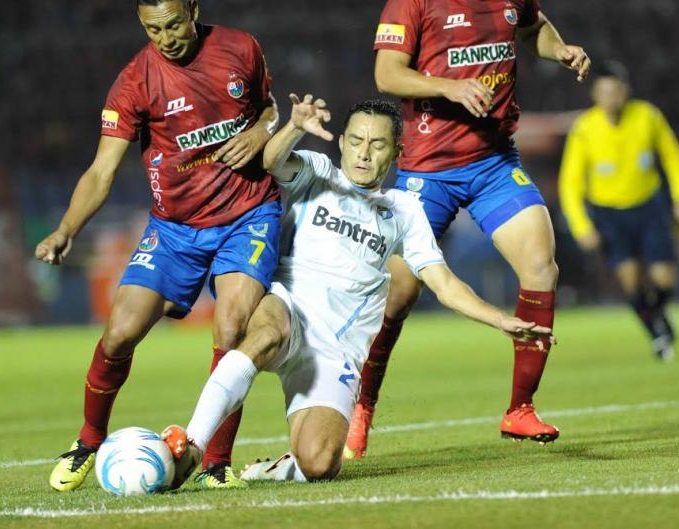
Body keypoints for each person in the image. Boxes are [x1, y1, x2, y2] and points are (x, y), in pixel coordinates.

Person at [161, 95, 553, 485]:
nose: (364, 153)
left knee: (319, 465)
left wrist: (499, 318)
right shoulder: (317, 173)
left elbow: (444, 284)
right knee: (265, 332)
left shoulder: (404, 210)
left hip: (336, 352)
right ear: (342, 142)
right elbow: (271, 161)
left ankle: (280, 468)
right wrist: (295, 127)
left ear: (397, 151)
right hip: (289, 308)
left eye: (377, 144)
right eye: (356, 141)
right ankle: (192, 444)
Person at [346, 0, 590, 459]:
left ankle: (520, 410)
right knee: (398, 295)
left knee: (541, 266)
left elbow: (534, 29)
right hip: (424, 172)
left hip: (492, 164)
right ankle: (362, 407)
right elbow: (387, 74)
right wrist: (450, 88)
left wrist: (561, 49)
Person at [36, 0, 283, 491]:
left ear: (192, 8)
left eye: (173, 25)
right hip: (174, 228)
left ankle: (215, 463)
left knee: (231, 328)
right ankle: (87, 440)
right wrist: (66, 229)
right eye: (153, 30)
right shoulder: (134, 82)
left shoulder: (240, 47)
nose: (166, 39)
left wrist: (262, 129)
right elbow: (102, 171)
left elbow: (268, 107)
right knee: (120, 332)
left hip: (248, 214)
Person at [558, 60, 679, 360]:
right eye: (604, 92)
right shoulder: (584, 129)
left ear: (626, 90)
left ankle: (656, 319)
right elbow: (570, 184)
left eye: (616, 91)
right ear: (594, 94)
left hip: (649, 206)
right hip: (609, 215)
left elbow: (672, 156)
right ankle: (658, 333)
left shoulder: (648, 116)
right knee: (631, 281)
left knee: (665, 280)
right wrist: (582, 227)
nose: (611, 98)